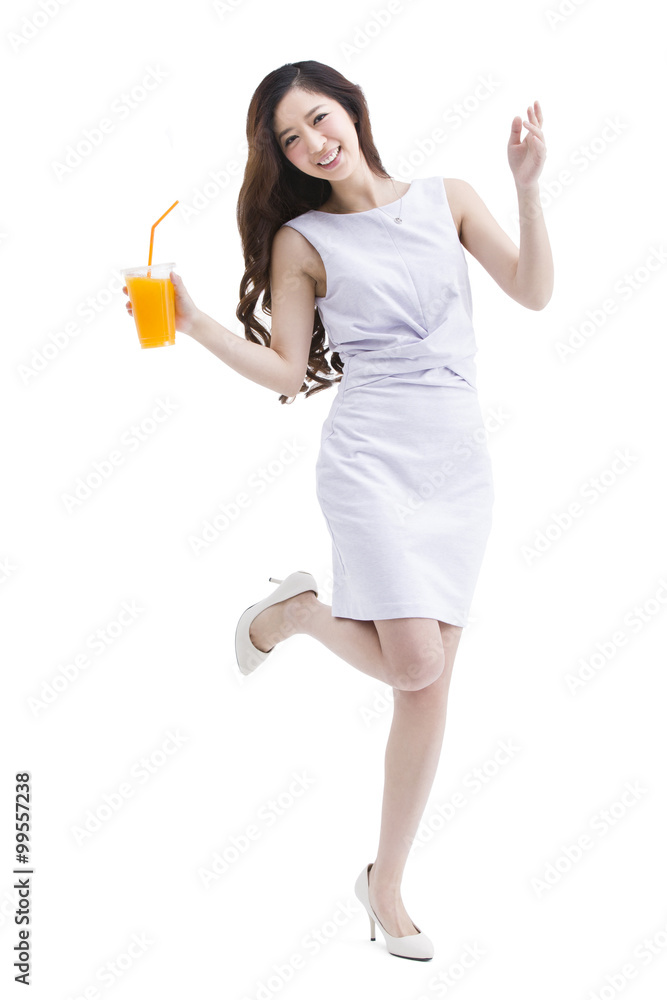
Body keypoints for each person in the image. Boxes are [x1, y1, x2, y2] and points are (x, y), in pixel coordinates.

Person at [123, 60, 553, 962]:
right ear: (283, 155)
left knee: (427, 690)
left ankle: (384, 885)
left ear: (353, 111)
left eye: (321, 119)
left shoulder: (449, 196)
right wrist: (199, 323)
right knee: (414, 667)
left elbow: (533, 291)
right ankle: (303, 613)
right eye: (291, 138)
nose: (314, 143)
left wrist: (526, 190)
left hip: (456, 468)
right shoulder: (301, 239)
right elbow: (287, 372)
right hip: (369, 462)